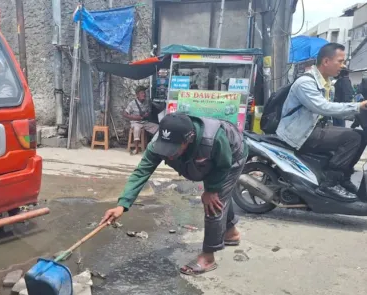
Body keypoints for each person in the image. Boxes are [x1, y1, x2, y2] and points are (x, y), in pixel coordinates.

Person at [100, 112, 248, 276]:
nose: (168, 154)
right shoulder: (162, 141)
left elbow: (223, 165)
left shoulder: (213, 140)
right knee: (221, 197)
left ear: (188, 139)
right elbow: (142, 171)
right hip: (208, 159)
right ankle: (231, 233)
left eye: (173, 150)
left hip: (231, 157)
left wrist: (212, 190)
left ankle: (208, 257)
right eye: (165, 149)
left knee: (214, 201)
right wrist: (122, 205)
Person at [276, 43, 367, 202]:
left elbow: (331, 109)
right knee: (354, 138)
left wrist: (355, 115)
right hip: (300, 134)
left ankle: (343, 177)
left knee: (359, 136)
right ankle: (330, 184)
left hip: (312, 128)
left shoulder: (325, 83)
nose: (343, 65)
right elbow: (322, 107)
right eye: (340, 61)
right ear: (326, 61)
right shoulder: (306, 83)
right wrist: (357, 106)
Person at [123, 86, 159, 155]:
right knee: (137, 129)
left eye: (144, 93)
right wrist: (134, 117)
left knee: (158, 128)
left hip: (144, 122)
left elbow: (149, 112)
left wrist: (146, 115)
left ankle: (154, 146)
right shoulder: (132, 103)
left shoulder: (147, 102)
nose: (144, 95)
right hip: (135, 122)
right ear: (137, 95)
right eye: (142, 93)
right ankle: (136, 149)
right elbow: (125, 114)